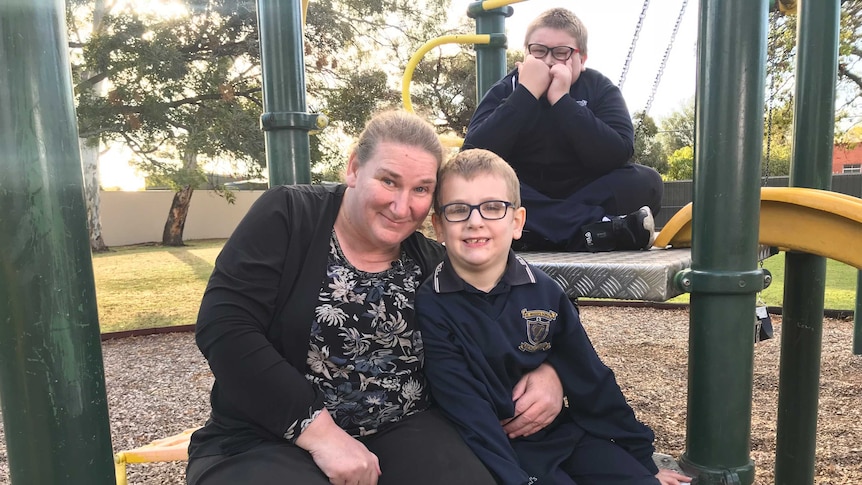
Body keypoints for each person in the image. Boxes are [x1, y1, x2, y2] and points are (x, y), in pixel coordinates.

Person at [186, 110, 566, 485]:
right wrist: (322, 435)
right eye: (388, 181)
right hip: (268, 436)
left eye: (420, 189)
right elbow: (225, 326)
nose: (402, 207)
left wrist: (551, 371)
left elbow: (530, 297)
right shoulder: (290, 215)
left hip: (407, 428)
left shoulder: (430, 261)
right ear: (354, 168)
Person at [416, 148, 692, 485]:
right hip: (501, 449)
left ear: (517, 222)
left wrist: (642, 460)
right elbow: (468, 414)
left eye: (492, 208)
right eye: (459, 210)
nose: (476, 220)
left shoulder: (544, 292)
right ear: (439, 226)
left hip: (563, 434)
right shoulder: (433, 304)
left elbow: (591, 379)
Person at [461, 7, 663, 252]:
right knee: (479, 184)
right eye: (538, 51)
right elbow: (472, 155)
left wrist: (562, 101)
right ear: (525, 54)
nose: (548, 60)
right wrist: (525, 95)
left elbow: (617, 153)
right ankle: (592, 229)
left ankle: (536, 233)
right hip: (523, 192)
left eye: (561, 53)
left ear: (582, 59)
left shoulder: (599, 88)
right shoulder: (507, 89)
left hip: (584, 191)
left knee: (647, 181)